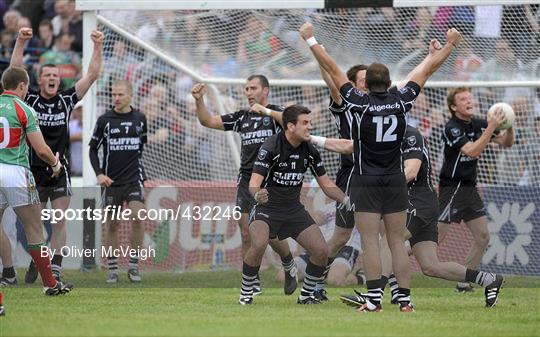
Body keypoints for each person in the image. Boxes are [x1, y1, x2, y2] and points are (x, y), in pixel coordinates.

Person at [300, 21, 461, 312]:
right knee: (397, 242)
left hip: (365, 181)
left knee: (372, 242)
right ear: (389, 84)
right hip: (396, 180)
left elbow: (334, 70)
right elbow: (425, 71)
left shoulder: (357, 103)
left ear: (367, 84)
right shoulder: (401, 101)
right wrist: (450, 45)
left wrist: (311, 39)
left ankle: (374, 300)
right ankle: (405, 300)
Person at [325, 126, 505, 308]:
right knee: (430, 266)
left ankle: (374, 295)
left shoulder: (411, 135)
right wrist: (315, 140)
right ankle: (488, 279)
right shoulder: (382, 134)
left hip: (418, 202)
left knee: (389, 241)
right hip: (412, 202)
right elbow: (349, 145)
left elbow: (410, 173)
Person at [10, 27, 103, 283]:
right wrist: (20, 41)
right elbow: (14, 73)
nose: (52, 77)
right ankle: (36, 263)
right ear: (38, 80)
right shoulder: (28, 100)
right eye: (47, 74)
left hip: (60, 170)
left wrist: (97, 44)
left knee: (59, 221)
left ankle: (56, 269)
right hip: (34, 170)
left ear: (59, 80)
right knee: (36, 226)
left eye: (55, 74)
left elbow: (93, 74)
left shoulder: (65, 100)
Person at [191, 75, 297, 295]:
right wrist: (199, 100)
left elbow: (292, 122)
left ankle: (288, 262)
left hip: (271, 181)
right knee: (246, 231)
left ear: (265, 90)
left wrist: (266, 111)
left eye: (253, 88)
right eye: (246, 88)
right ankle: (252, 281)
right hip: (247, 180)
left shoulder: (276, 115)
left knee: (269, 233)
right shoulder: (242, 117)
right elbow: (207, 121)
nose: (248, 92)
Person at [239, 105, 351, 305]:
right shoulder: (270, 146)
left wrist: (346, 200)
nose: (310, 126)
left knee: (321, 251)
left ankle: (306, 295)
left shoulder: (310, 150)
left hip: (293, 210)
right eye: (305, 123)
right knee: (258, 244)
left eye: (310, 122)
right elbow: (254, 183)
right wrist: (258, 195)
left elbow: (326, 185)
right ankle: (246, 292)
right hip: (266, 207)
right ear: (290, 126)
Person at [0, 66, 73, 295]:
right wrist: (55, 164)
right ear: (22, 86)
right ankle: (50, 283)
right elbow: (41, 149)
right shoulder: (25, 109)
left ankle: (8, 274)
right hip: (16, 172)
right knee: (34, 229)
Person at [437, 87, 514, 292]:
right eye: (463, 99)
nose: (469, 101)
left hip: (469, 190)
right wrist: (491, 128)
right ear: (454, 107)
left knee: (482, 237)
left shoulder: (480, 123)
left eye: (470, 98)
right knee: (432, 239)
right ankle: (392, 266)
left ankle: (464, 283)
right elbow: (471, 151)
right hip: (452, 189)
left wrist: (509, 124)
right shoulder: (452, 127)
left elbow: (506, 143)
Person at [89, 80, 147, 283]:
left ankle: (133, 266)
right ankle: (112, 268)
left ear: (130, 95)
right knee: (112, 224)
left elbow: (141, 148)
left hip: (133, 179)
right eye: (114, 94)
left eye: (121, 94)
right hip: (111, 182)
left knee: (138, 215)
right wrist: (99, 173)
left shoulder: (140, 118)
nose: (116, 98)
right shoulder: (104, 120)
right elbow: (92, 149)